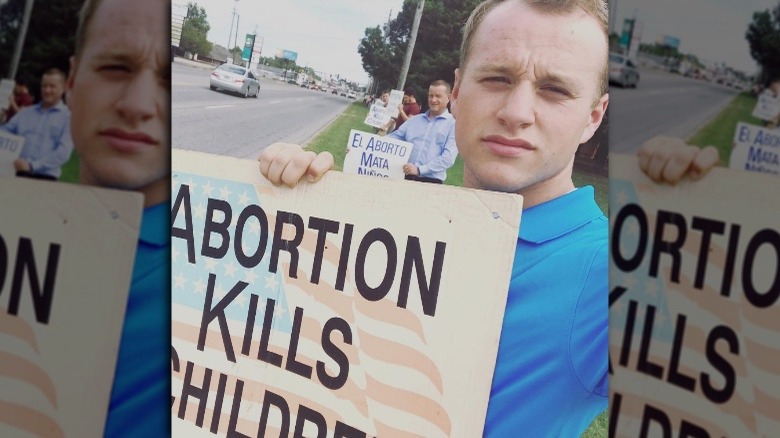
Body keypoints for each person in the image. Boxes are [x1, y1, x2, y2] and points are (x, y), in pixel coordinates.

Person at [259, 0, 610, 435]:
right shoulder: (393, 226)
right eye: (498, 78)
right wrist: (289, 204)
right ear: (459, 94)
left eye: (555, 90)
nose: (517, 112)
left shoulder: (602, 274)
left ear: (593, 118)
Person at [65, 0, 170, 435]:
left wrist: (297, 194)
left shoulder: (218, 275)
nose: (138, 105)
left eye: (169, 81)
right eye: (116, 67)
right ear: (72, 80)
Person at [1, 68, 73, 180]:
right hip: (16, 173)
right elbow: (5, 132)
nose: (47, 90)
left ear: (63, 88)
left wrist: (32, 166)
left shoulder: (68, 118)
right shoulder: (25, 113)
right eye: (44, 86)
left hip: (45, 178)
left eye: (52, 86)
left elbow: (63, 153)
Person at [386, 79, 457, 183]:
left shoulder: (453, 125)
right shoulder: (414, 120)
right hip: (404, 176)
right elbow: (395, 137)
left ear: (449, 98)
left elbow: (448, 158)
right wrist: (367, 143)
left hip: (431, 182)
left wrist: (419, 170)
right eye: (430, 95)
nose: (433, 100)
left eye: (438, 96)